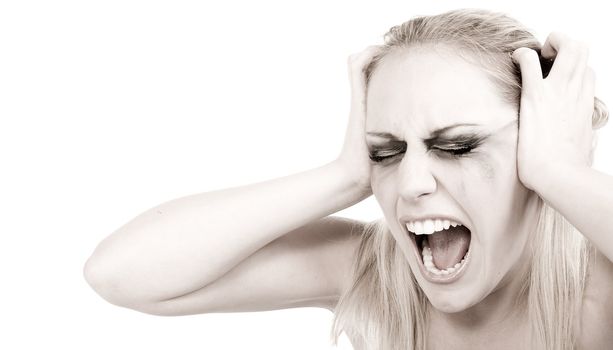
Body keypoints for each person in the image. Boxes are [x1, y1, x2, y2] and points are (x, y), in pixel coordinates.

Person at [83, 8, 613, 349]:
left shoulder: (599, 288)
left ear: (537, 143)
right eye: (385, 152)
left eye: (457, 146)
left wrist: (560, 173)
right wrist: (342, 176)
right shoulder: (374, 277)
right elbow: (120, 272)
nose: (410, 185)